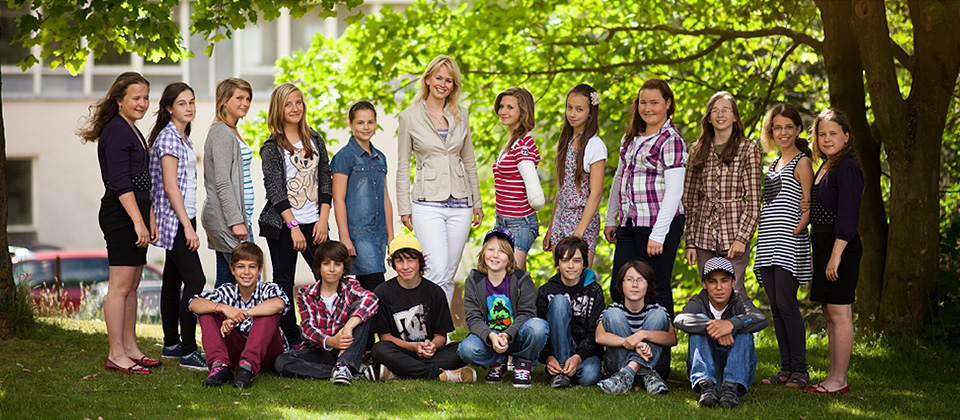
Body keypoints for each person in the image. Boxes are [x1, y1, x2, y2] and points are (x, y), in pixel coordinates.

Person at [80, 71, 159, 374]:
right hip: (120, 215)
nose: (142, 103)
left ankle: (131, 348)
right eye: (136, 98)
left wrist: (148, 218)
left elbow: (144, 183)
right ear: (119, 100)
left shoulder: (132, 129)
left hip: (136, 214)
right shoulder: (116, 130)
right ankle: (116, 354)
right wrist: (137, 222)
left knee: (133, 285)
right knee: (120, 287)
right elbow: (120, 182)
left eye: (145, 97)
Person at [396, 55, 483, 304]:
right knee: (436, 270)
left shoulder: (461, 115)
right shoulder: (409, 117)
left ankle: (440, 336)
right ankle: (431, 332)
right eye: (438, 78)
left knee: (448, 274)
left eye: (449, 80)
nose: (443, 84)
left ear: (454, 85)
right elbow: (403, 166)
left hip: (461, 204)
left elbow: (469, 161)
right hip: (427, 204)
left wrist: (476, 201)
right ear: (428, 79)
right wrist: (404, 207)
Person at [259, 83, 334, 347]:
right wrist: (293, 226)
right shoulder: (271, 147)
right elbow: (275, 188)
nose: (294, 108)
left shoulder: (315, 139)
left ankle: (329, 333)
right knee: (283, 282)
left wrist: (323, 218)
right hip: (283, 226)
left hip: (315, 221)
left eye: (298, 102)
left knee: (330, 275)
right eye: (288, 104)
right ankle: (291, 339)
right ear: (278, 109)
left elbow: (326, 177)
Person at [604, 78, 687, 308]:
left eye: (654, 102)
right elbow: (619, 180)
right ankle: (627, 341)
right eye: (643, 103)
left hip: (658, 225)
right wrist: (612, 219)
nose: (648, 108)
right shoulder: (630, 138)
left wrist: (658, 235)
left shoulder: (671, 140)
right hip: (630, 223)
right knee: (620, 286)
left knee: (654, 287)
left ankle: (662, 342)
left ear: (668, 103)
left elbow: (674, 191)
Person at [754, 103, 813, 388]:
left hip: (789, 242)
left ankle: (801, 370)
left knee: (787, 304)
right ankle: (786, 368)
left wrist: (798, 230)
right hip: (767, 242)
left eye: (789, 127)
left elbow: (807, 204)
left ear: (798, 129)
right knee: (775, 306)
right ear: (771, 132)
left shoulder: (802, 162)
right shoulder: (772, 165)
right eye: (777, 127)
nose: (783, 132)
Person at [147, 82, 207, 369]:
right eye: (182, 103)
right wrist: (188, 226)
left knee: (172, 279)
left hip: (184, 217)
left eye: (191, 102)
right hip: (177, 220)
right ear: (169, 107)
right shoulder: (170, 138)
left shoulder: (182, 137)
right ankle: (187, 350)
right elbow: (171, 187)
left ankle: (170, 343)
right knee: (196, 281)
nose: (189, 108)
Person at [805, 108, 863, 396]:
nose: (827, 139)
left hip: (842, 247)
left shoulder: (847, 167)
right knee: (829, 312)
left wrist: (836, 254)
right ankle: (832, 377)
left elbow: (848, 215)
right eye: (822, 134)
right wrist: (820, 253)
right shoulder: (826, 166)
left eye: (833, 133)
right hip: (825, 245)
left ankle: (839, 381)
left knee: (840, 313)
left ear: (846, 136)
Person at [681, 91, 761, 297]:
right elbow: (689, 199)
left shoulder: (747, 148)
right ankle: (711, 330)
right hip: (703, 235)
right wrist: (690, 242)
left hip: (734, 232)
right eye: (714, 111)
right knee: (710, 295)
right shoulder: (698, 149)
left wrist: (742, 238)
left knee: (733, 292)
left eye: (726, 110)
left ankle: (740, 330)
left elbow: (753, 200)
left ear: (735, 116)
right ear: (708, 117)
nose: (720, 114)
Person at [370, 235, 475, 382]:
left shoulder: (435, 292)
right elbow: (385, 337)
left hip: (429, 353)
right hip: (401, 351)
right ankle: (440, 375)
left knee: (462, 349)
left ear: (420, 261)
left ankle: (399, 372)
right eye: (400, 261)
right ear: (393, 263)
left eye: (410, 260)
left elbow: (441, 337)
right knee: (379, 349)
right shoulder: (382, 292)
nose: (405, 266)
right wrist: (413, 347)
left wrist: (431, 346)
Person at [274, 241, 379, 385]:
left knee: (361, 310)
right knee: (282, 362)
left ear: (344, 268)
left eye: (337, 264)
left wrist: (348, 327)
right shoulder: (306, 293)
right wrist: (330, 341)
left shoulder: (350, 286)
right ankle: (346, 372)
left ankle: (344, 365)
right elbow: (307, 329)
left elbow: (372, 299)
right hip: (320, 349)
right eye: (326, 264)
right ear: (318, 267)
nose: (332, 269)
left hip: (346, 349)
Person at [457, 228, 549, 388]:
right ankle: (497, 362)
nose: (495, 255)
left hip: (516, 335)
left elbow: (527, 313)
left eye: (501, 251)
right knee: (466, 349)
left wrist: (507, 335)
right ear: (483, 252)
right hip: (490, 337)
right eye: (491, 249)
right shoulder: (474, 280)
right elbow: (473, 318)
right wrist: (491, 336)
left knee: (538, 327)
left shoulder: (522, 279)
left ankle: (523, 363)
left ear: (510, 256)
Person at [189, 243, 288, 388]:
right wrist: (223, 308)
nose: (246, 272)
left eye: (252, 267)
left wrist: (241, 315)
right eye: (241, 266)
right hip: (236, 353)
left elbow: (279, 304)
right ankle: (220, 366)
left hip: (268, 353)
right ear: (233, 270)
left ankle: (247, 367)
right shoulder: (227, 291)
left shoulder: (268, 288)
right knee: (208, 313)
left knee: (267, 313)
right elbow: (194, 304)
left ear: (260, 270)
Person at [674, 257, 768, 408]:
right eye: (712, 281)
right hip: (709, 365)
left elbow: (760, 319)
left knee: (743, 327)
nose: (719, 287)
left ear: (732, 282)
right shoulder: (699, 300)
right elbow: (680, 320)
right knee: (699, 320)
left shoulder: (740, 299)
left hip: (738, 368)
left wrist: (731, 324)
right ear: (704, 284)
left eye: (724, 280)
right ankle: (706, 388)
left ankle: (731, 389)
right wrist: (715, 327)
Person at [331, 101, 394, 292]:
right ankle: (380, 323)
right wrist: (345, 237)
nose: (366, 127)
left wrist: (391, 237)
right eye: (360, 123)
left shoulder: (380, 157)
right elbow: (338, 199)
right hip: (358, 234)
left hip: (379, 233)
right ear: (351, 124)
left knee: (364, 288)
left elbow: (385, 199)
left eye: (370, 122)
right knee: (376, 286)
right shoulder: (345, 157)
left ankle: (363, 322)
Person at [543, 84, 607, 267]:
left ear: (590, 112)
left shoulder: (594, 145)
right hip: (561, 217)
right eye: (569, 107)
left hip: (581, 218)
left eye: (579, 109)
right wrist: (550, 229)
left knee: (578, 276)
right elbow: (562, 189)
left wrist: (579, 232)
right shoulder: (566, 141)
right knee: (561, 276)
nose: (572, 113)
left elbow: (596, 193)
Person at [201, 77, 255, 288]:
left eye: (248, 98)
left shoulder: (231, 130)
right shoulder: (221, 132)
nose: (246, 103)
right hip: (229, 221)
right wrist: (236, 221)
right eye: (239, 98)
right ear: (224, 102)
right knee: (248, 280)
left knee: (227, 282)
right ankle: (245, 322)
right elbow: (223, 181)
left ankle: (219, 321)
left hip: (237, 218)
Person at [595, 259, 676, 395]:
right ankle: (640, 372)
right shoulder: (613, 309)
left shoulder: (657, 310)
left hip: (655, 367)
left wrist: (643, 334)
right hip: (617, 365)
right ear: (621, 284)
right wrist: (630, 343)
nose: (634, 285)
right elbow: (599, 337)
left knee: (658, 315)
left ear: (648, 285)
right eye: (629, 279)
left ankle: (627, 374)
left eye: (640, 280)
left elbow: (672, 339)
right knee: (613, 314)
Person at [535, 236, 604, 388]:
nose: (571, 266)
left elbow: (595, 331)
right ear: (558, 263)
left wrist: (578, 357)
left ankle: (563, 374)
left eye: (577, 261)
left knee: (589, 376)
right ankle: (561, 370)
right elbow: (540, 330)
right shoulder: (546, 291)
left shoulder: (594, 290)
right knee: (559, 301)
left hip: (584, 353)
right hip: (557, 348)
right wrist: (548, 358)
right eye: (565, 260)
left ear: (584, 263)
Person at [492, 87, 544, 270]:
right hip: (502, 220)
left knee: (511, 278)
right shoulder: (512, 142)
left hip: (519, 223)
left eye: (509, 107)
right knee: (509, 281)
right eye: (501, 106)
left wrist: (536, 201)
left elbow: (536, 197)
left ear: (523, 111)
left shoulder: (523, 145)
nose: (502, 111)